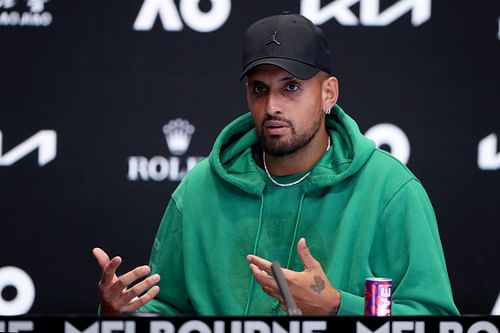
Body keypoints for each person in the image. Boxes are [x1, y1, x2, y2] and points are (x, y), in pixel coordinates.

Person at [93, 12, 459, 316]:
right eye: (259, 89)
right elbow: (169, 310)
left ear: (328, 93)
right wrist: (122, 315)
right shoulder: (201, 188)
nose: (272, 107)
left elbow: (435, 317)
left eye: (291, 87)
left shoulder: (389, 189)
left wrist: (336, 307)